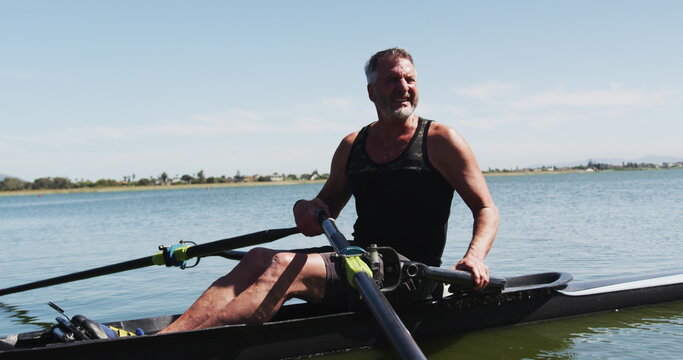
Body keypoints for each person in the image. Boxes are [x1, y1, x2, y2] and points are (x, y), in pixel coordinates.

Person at [158, 48, 498, 333]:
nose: (403, 87)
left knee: (280, 266)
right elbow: (326, 206)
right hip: (357, 263)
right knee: (258, 257)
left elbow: (486, 209)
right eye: (392, 79)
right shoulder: (353, 144)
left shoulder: (440, 141)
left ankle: (184, 346)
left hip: (409, 276)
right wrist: (306, 207)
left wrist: (474, 257)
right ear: (371, 91)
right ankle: (167, 338)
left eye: (410, 79)